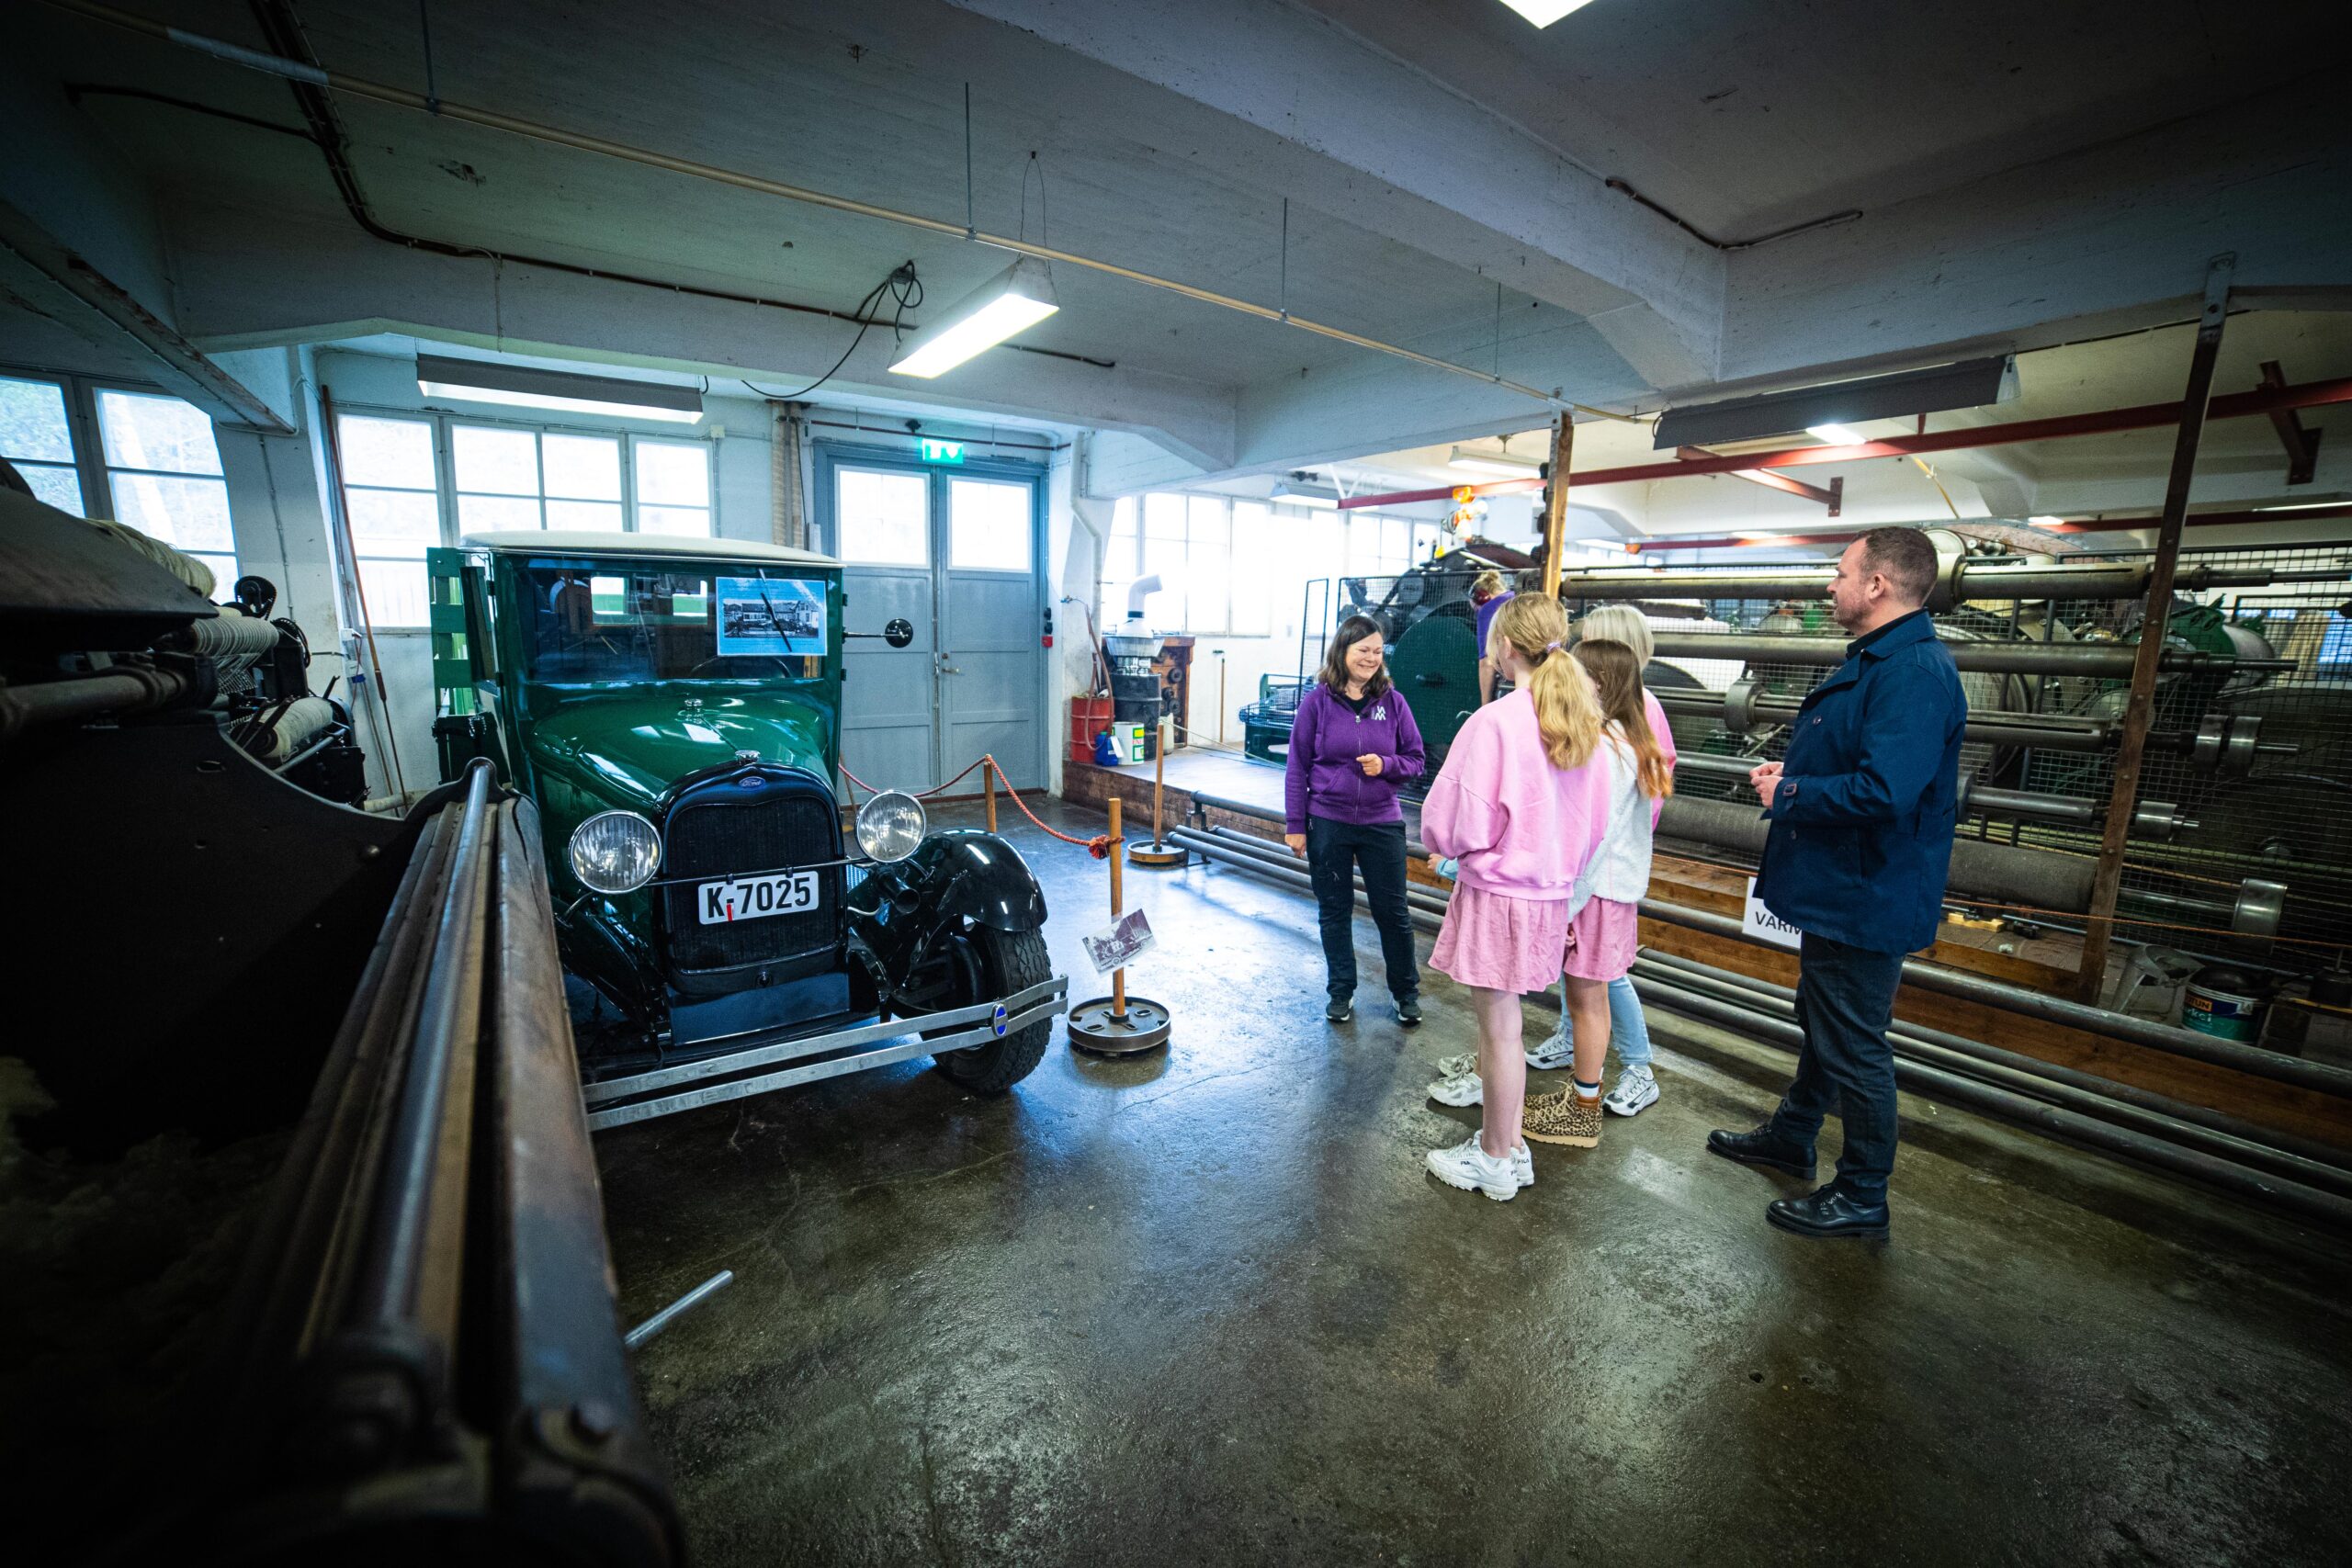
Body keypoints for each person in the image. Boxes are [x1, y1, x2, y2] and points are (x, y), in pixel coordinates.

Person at [1707, 527, 1965, 1241]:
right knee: (1827, 1024)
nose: (1832, 585)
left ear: (1878, 584)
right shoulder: (1886, 661)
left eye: (1842, 572)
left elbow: (1886, 789)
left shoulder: (1910, 672)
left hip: (1867, 891)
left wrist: (1790, 793)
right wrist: (1794, 780)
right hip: (1848, 884)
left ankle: (1862, 1192)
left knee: (1855, 1043)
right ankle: (1794, 1134)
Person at [1418, 595, 1611, 1201]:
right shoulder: (1582, 720)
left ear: (1504, 646)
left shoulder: (1496, 721)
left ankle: (1495, 1156)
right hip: (1551, 894)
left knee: (1500, 1030)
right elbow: (1598, 822)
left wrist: (1447, 848)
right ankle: (1512, 1144)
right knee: (1508, 1025)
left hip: (1500, 893)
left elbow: (1455, 816)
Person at [1517, 604, 1679, 1115]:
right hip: (1605, 878)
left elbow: (1602, 827)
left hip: (1599, 881)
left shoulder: (1620, 737)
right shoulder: (1617, 726)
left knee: (1601, 982)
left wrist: (1567, 897)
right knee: (1586, 981)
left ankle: (1631, 1072)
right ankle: (1578, 1056)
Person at [1284, 615, 1427, 1026]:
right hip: (1328, 820)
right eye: (1362, 649)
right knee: (1334, 909)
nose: (1370, 658)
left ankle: (1405, 993)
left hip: (1382, 821)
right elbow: (1297, 767)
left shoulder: (1394, 703)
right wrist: (1296, 823)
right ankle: (1341, 991)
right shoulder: (1316, 703)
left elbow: (1417, 761)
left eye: (1378, 651)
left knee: (1393, 913)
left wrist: (1386, 765)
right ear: (1342, 651)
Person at [1471, 570, 1515, 705]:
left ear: (1482, 597)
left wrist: (1484, 706)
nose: (1478, 611)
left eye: (1476, 608)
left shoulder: (1489, 609)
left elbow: (1486, 662)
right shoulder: (1515, 597)